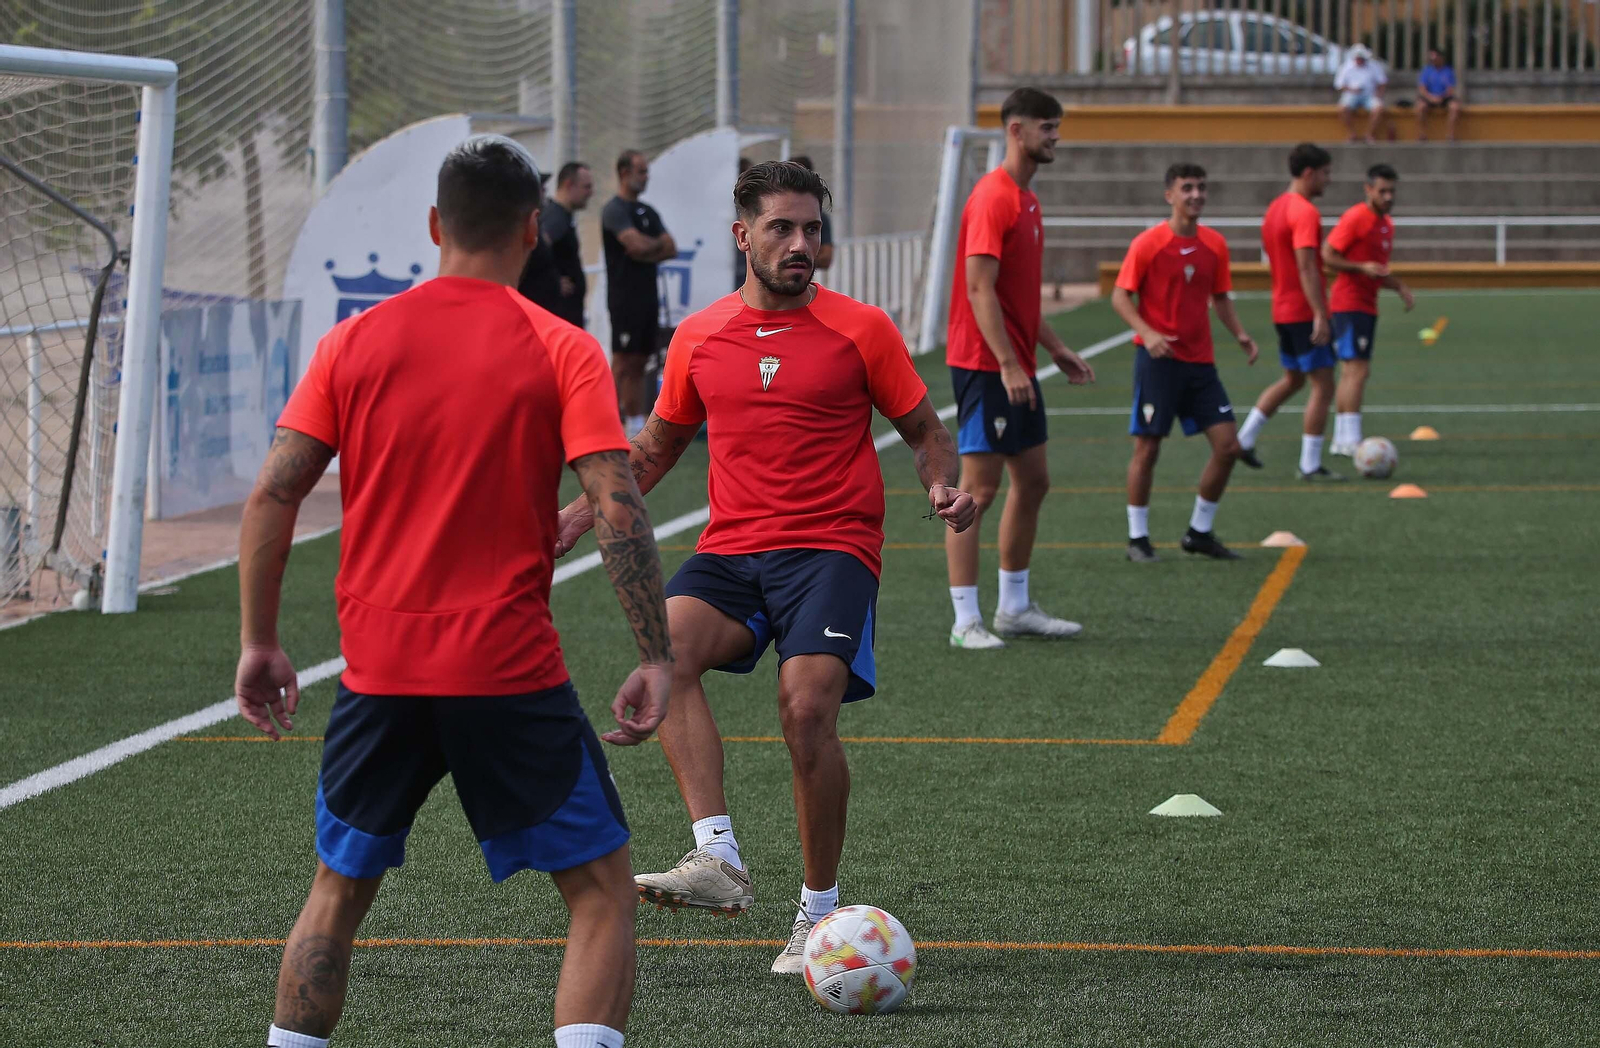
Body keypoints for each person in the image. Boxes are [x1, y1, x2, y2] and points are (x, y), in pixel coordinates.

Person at [234, 134, 673, 1048]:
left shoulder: (352, 341)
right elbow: (616, 502)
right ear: (533, 229)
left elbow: (276, 490)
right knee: (600, 893)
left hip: (378, 672)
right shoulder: (560, 346)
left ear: (437, 224)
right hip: (507, 672)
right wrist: (654, 656)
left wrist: (260, 640)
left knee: (337, 891)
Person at [553, 160, 976, 975]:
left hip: (832, 548)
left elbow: (925, 428)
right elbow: (657, 449)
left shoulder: (862, 329)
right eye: (782, 228)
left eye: (813, 228)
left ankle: (817, 914)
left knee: (806, 707)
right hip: (733, 549)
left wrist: (941, 484)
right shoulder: (702, 337)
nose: (801, 244)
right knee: (666, 653)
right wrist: (576, 516)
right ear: (743, 235)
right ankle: (718, 860)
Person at [942, 86, 1096, 651]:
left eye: (1057, 127)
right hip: (987, 366)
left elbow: (1015, 299)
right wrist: (1007, 363)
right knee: (976, 490)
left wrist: (1053, 347)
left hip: (1016, 363)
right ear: (1015, 130)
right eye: (1046, 127)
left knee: (1034, 481)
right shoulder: (993, 197)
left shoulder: (1027, 199)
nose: (1054, 137)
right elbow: (979, 287)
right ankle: (965, 620)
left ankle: (1015, 608)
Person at [1111, 163, 1259, 563]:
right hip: (1157, 362)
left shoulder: (1215, 245)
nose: (1196, 194)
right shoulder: (1148, 244)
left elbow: (1222, 297)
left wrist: (1240, 335)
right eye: (1187, 188)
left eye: (1201, 188)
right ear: (1170, 196)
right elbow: (1120, 296)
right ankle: (1137, 538)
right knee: (1147, 449)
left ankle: (1199, 532)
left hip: (1201, 365)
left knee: (1228, 447)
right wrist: (1149, 332)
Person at [1236, 142, 1343, 481]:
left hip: (1281, 308)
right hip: (1301, 311)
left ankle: (1244, 438)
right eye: (1325, 173)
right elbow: (1307, 266)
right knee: (1323, 385)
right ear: (1309, 173)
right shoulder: (1305, 212)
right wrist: (1320, 313)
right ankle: (1309, 464)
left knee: (1293, 379)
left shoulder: (1275, 208)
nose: (1328, 180)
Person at [1324, 163, 1415, 457]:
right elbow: (1328, 256)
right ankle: (1351, 439)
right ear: (1368, 189)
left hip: (1366, 304)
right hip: (1348, 303)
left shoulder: (1386, 224)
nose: (1388, 196)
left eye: (1391, 191)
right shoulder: (1355, 218)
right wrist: (1359, 267)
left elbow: (1376, 270)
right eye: (1382, 190)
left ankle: (1342, 438)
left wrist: (1398, 286)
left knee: (1353, 370)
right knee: (1356, 370)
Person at [602, 149, 677, 437]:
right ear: (624, 173)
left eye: (646, 171)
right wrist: (650, 248)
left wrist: (649, 249)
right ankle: (603, 420)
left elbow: (670, 247)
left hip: (647, 298)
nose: (646, 177)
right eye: (641, 171)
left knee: (639, 360)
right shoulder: (614, 210)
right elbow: (635, 246)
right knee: (622, 360)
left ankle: (633, 421)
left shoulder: (648, 211)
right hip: (624, 298)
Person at [520, 161, 594, 327]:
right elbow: (536, 247)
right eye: (586, 187)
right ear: (569, 185)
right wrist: (552, 280)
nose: (591, 193)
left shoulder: (561, 216)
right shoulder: (556, 217)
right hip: (560, 314)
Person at [1335, 45, 1387, 144]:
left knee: (1379, 108)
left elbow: (1382, 82)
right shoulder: (1346, 67)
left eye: (1362, 58)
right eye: (1358, 58)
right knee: (1342, 109)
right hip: (1351, 94)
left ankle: (1369, 134)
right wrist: (1352, 90)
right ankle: (1352, 133)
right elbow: (1339, 85)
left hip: (1369, 95)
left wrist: (1379, 95)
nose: (1360, 60)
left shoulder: (1374, 66)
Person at [1416, 49, 1462, 142]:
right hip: (1430, 97)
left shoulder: (1448, 71)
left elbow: (1450, 89)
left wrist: (1441, 97)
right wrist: (1431, 97)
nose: (1433, 61)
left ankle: (1450, 135)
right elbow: (1422, 89)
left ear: (1441, 58)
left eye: (1435, 58)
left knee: (1454, 107)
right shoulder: (1427, 71)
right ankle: (1422, 134)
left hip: (1443, 97)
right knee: (1420, 107)